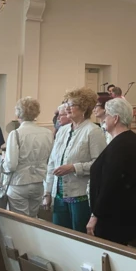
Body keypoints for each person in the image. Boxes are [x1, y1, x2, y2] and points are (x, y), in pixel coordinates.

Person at [43, 87, 106, 233]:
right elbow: (52, 162)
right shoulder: (63, 130)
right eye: (67, 104)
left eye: (71, 105)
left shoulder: (93, 131)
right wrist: (47, 192)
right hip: (59, 195)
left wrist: (74, 167)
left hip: (81, 196)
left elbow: (100, 166)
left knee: (79, 237)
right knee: (60, 237)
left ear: (84, 108)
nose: (67, 108)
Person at [86, 98, 136, 244]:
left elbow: (110, 183)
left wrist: (95, 215)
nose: (104, 119)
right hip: (121, 212)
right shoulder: (129, 138)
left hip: (113, 217)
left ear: (116, 118)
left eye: (107, 115)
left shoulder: (120, 145)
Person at [0, 97, 54, 217]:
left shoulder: (16, 134)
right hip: (39, 181)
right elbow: (51, 160)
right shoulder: (48, 133)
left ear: (18, 113)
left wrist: (3, 163)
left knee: (20, 221)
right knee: (33, 218)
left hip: (19, 182)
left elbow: (11, 165)